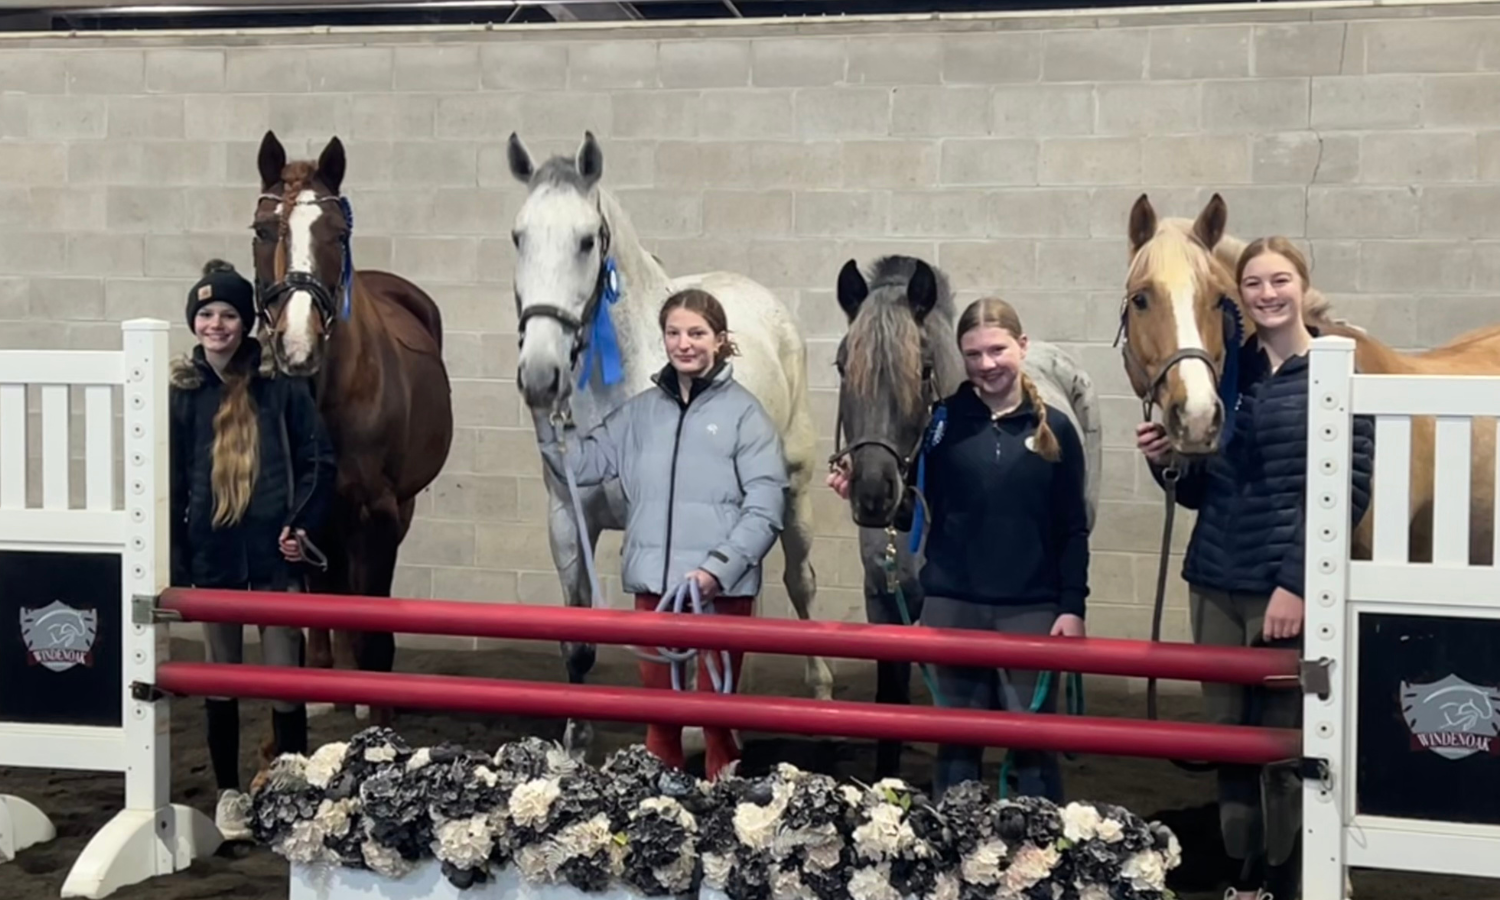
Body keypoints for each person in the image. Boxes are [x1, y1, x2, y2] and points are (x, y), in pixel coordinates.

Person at [1136, 237, 1374, 900]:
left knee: (1286, 745)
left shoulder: (1336, 369)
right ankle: (1241, 871)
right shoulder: (1225, 375)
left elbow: (1349, 487)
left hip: (1287, 588)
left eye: (1280, 280)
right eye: (1254, 284)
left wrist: (1296, 584)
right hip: (1215, 579)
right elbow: (1200, 492)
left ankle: (1288, 873)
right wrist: (1166, 460)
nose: (1267, 295)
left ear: (1302, 285)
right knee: (1228, 741)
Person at [828, 296, 1090, 803]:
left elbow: (1072, 528)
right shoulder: (942, 426)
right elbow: (923, 515)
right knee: (955, 750)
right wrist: (871, 501)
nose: (986, 364)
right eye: (973, 354)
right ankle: (955, 846)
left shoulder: (1055, 429)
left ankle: (1038, 848)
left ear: (1022, 347)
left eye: (997, 350)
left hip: (1030, 610)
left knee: (1034, 751)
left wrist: (1071, 606)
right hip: (953, 607)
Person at [539, 288, 788, 780]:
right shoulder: (639, 413)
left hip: (718, 594)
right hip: (655, 590)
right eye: (674, 333)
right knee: (659, 719)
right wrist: (547, 419)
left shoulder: (747, 417)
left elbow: (766, 507)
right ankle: (661, 809)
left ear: (720, 339)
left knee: (718, 720)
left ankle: (724, 805)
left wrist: (717, 571)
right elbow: (580, 466)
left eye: (696, 333)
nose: (684, 343)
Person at [169, 259, 336, 840]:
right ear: (194, 323)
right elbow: (168, 482)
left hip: (273, 556)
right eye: (206, 315)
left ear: (246, 323)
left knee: (285, 678)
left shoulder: (282, 388)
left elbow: (318, 462)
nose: (216, 325)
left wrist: (301, 526)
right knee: (220, 678)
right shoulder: (181, 395)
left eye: (228, 315)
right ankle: (228, 793)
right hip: (212, 558)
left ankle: (292, 784)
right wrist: (177, 559)